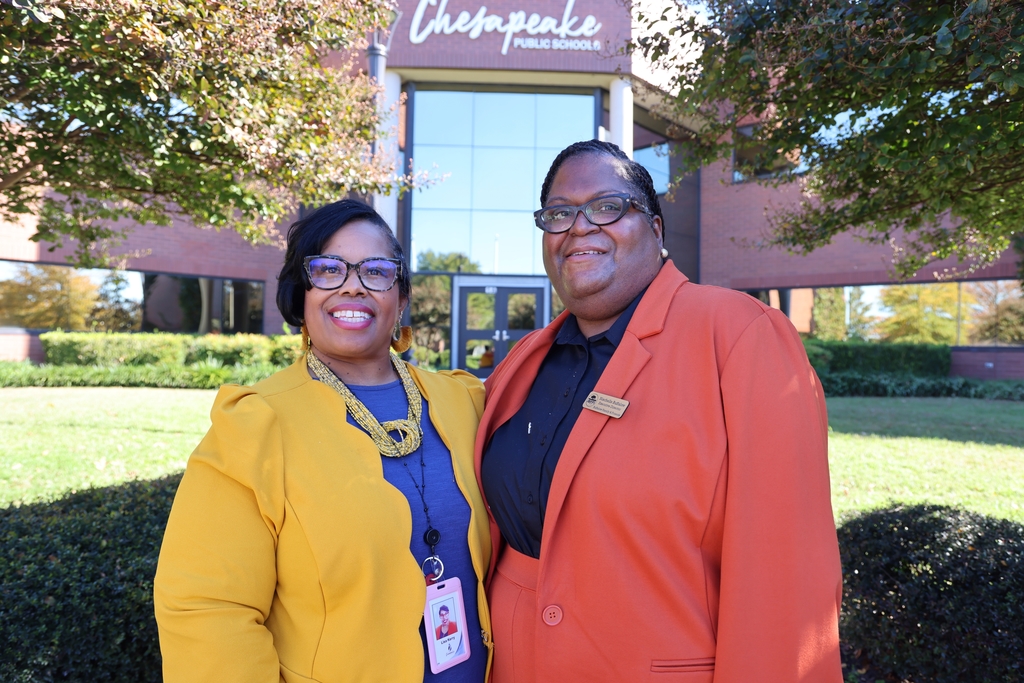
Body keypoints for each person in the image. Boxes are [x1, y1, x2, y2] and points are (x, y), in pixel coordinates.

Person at [476, 141, 843, 683]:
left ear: (655, 228)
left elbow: (785, 572)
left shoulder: (737, 336)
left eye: (607, 207)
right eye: (558, 214)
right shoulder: (522, 363)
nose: (579, 226)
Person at [154, 200, 493, 683]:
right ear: (301, 292)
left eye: (376, 270)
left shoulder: (466, 403)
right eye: (329, 269)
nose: (353, 285)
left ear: (400, 296)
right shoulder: (256, 425)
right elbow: (206, 610)